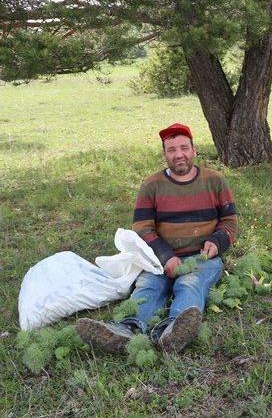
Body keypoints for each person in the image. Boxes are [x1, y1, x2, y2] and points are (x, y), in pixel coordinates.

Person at [77, 123, 238, 353]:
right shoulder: (152, 185)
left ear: (194, 151)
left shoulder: (215, 181)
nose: (178, 154)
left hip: (202, 258)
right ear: (164, 154)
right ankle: (127, 329)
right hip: (158, 258)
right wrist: (165, 257)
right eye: (171, 150)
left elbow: (230, 222)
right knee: (149, 286)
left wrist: (217, 241)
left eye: (184, 148)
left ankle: (174, 330)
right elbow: (142, 227)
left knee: (190, 284)